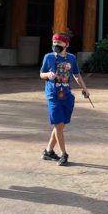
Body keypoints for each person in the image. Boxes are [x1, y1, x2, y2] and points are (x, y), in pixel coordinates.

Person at [40, 32, 90, 166]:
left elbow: (76, 75)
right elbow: (41, 74)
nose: (56, 45)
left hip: (67, 96)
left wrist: (84, 88)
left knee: (60, 126)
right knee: (58, 125)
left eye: (59, 43)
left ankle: (48, 151)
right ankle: (64, 154)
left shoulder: (71, 58)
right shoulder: (49, 57)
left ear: (66, 44)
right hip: (53, 96)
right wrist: (48, 75)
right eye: (54, 42)